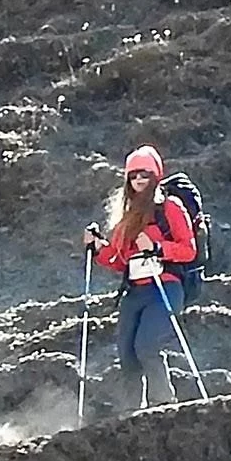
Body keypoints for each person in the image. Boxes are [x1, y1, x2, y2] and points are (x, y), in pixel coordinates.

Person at [89, 145, 202, 404]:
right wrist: (97, 248)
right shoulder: (127, 217)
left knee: (147, 346)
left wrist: (158, 248)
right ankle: (132, 413)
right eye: (133, 175)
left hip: (165, 287)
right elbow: (120, 261)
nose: (139, 180)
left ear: (156, 177)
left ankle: (164, 404)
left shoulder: (170, 208)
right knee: (128, 355)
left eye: (145, 174)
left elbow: (188, 250)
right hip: (135, 292)